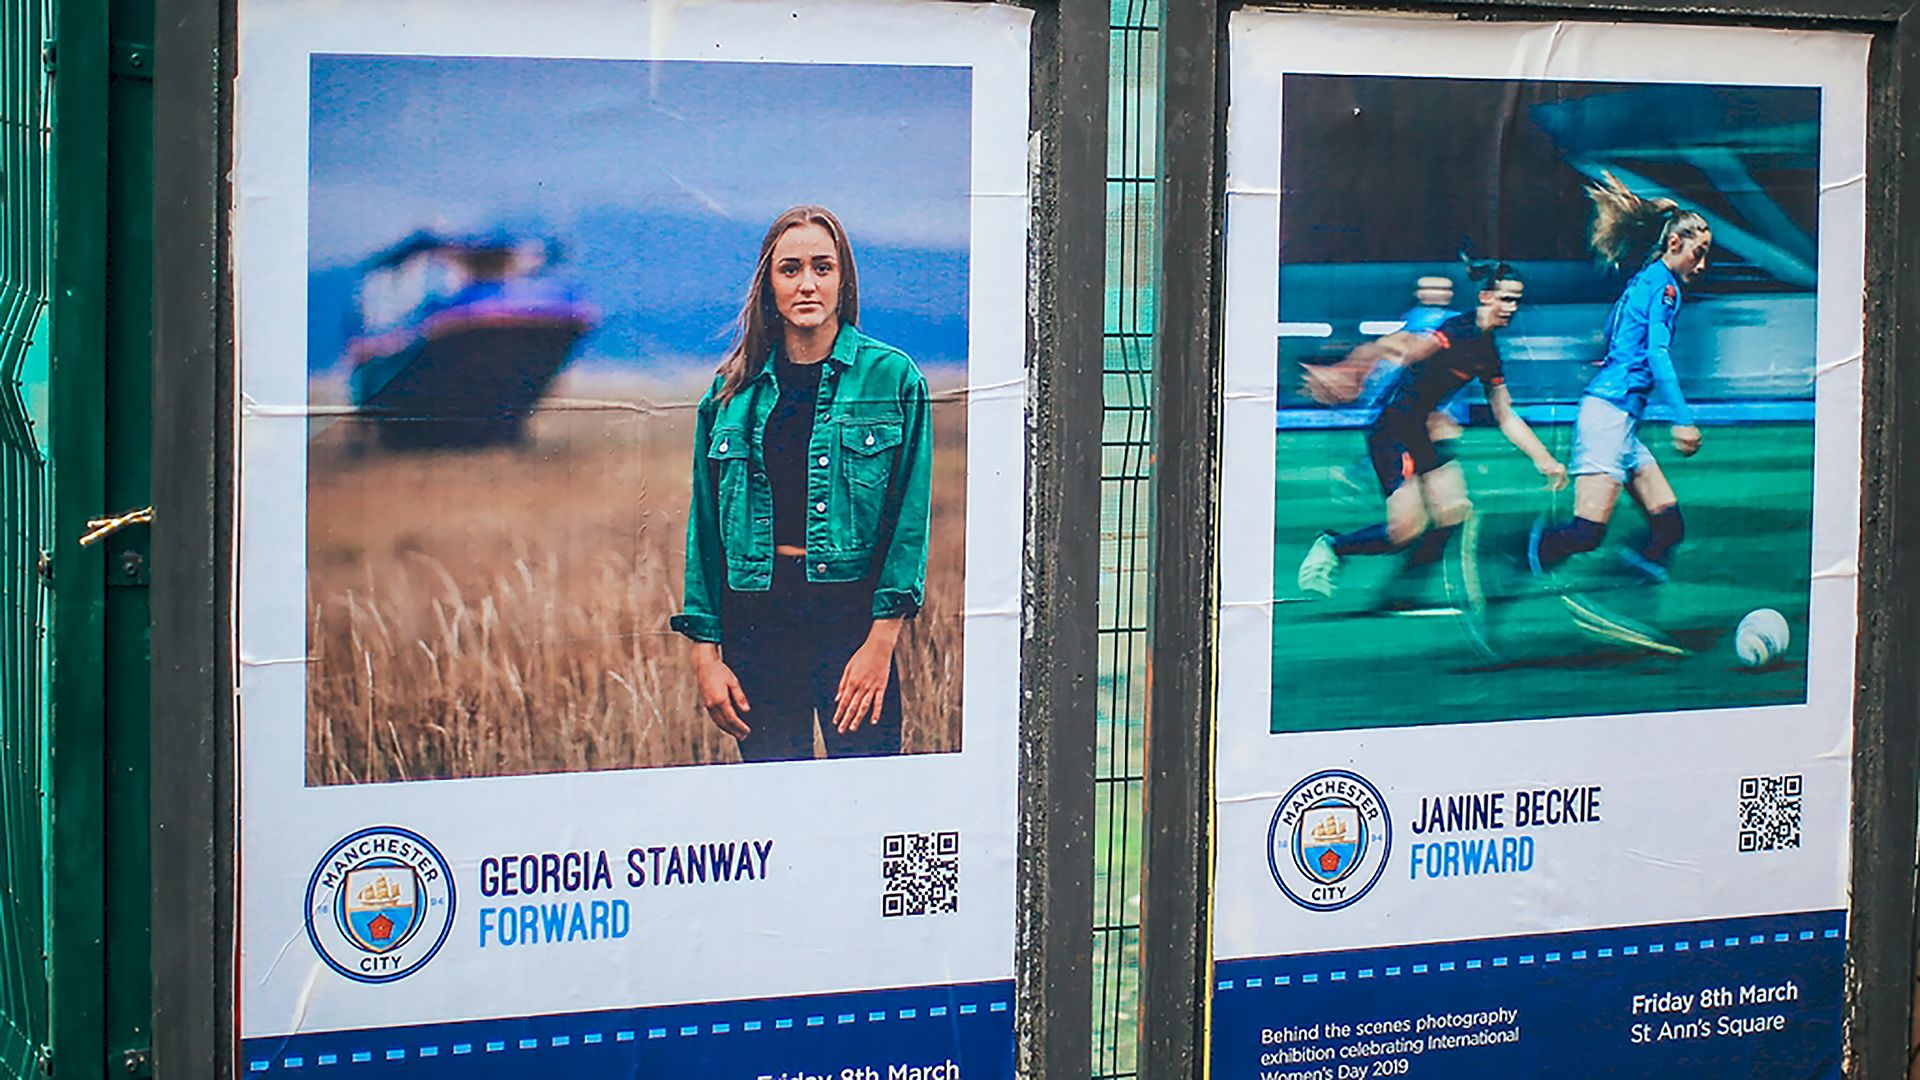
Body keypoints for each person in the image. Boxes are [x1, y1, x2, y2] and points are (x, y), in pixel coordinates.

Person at [671, 206, 932, 762]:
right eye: (790, 269)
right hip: (756, 623)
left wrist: (880, 645)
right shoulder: (729, 391)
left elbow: (909, 523)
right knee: (774, 808)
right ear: (769, 283)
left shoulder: (893, 379)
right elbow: (705, 533)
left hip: (850, 622)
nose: (808, 283)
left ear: (844, 279)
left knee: (868, 801)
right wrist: (705, 655)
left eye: (823, 267)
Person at [1298, 259, 1567, 602]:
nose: (1511, 308)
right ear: (1486, 296)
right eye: (1506, 299)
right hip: (1394, 432)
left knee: (1453, 511)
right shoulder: (1455, 331)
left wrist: (1545, 461)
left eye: (1517, 301)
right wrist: (1348, 369)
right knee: (1404, 531)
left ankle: (1400, 599)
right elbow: (1400, 346)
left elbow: (1506, 415)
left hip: (1423, 433)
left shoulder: (1488, 351)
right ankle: (1333, 545)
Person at [1528, 173, 1710, 583]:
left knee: (1669, 526)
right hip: (1610, 416)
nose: (1702, 265)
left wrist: (1608, 359)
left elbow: (1610, 331)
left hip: (1619, 419)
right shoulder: (1664, 288)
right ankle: (1523, 561)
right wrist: (1682, 418)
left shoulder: (1643, 280)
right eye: (1698, 253)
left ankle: (1629, 585)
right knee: (1586, 533)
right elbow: (1657, 352)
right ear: (1674, 244)